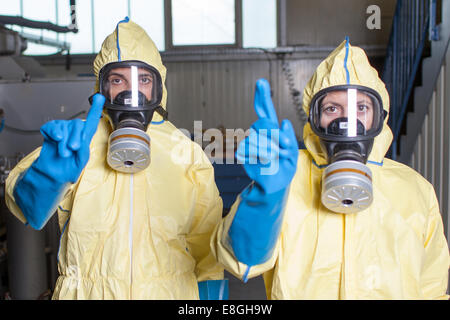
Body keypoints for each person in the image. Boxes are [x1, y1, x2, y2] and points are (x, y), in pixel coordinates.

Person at [5, 17, 226, 300]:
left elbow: (207, 253)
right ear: (102, 88)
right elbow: (27, 211)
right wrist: (47, 175)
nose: (130, 93)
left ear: (158, 88)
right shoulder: (79, 143)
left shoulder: (187, 154)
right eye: (118, 79)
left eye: (143, 79)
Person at [211, 38, 450, 299]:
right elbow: (241, 262)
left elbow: (432, 289)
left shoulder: (414, 190)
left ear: (379, 117)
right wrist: (267, 198)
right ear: (315, 120)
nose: (347, 123)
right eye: (332, 108)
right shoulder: (286, 176)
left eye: (361, 108)